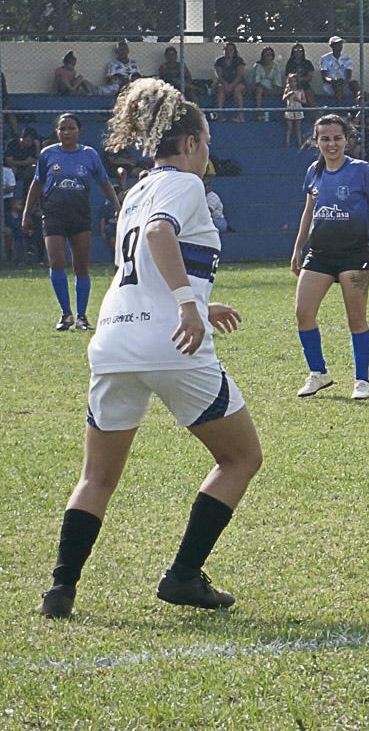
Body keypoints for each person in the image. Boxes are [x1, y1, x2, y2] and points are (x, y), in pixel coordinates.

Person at [37, 78, 261, 619]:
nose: (207, 154)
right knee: (241, 457)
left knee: (97, 477)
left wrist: (200, 303)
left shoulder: (138, 189)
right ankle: (184, 575)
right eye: (205, 143)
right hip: (170, 344)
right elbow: (161, 238)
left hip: (114, 340)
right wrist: (189, 307)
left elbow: (138, 271)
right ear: (188, 144)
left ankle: (60, 591)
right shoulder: (183, 184)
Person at [291, 114, 369, 401]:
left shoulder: (360, 170)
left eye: (337, 138)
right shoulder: (313, 172)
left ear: (347, 140)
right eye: (325, 138)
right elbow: (309, 211)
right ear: (316, 142)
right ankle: (318, 373)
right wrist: (297, 247)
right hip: (319, 254)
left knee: (356, 319)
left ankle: (362, 381)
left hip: (354, 254)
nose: (332, 144)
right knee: (303, 313)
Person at [21, 113, 121, 330]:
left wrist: (117, 206)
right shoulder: (48, 154)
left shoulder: (89, 154)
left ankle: (82, 316)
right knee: (57, 262)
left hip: (80, 214)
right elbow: (37, 184)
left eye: (70, 128)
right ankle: (65, 314)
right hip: (54, 214)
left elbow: (104, 182)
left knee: (81, 266)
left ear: (79, 131)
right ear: (57, 132)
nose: (66, 132)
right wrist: (27, 213)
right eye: (62, 128)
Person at [212, 41, 247, 123]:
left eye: (231, 50)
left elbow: (239, 75)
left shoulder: (239, 60)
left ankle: (240, 116)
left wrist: (231, 86)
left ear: (234, 51)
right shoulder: (219, 61)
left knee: (237, 89)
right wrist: (226, 85)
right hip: (224, 84)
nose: (228, 52)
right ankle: (219, 115)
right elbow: (219, 76)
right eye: (226, 49)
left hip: (238, 84)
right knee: (220, 88)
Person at [246, 46, 283, 121]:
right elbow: (256, 82)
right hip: (258, 88)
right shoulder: (257, 66)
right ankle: (259, 112)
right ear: (263, 56)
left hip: (272, 88)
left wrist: (272, 90)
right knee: (259, 89)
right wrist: (265, 90)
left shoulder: (276, 66)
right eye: (266, 55)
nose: (268, 57)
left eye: (270, 55)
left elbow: (278, 82)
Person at [319, 36, 353, 105]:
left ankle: (359, 106)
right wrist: (332, 80)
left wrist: (344, 82)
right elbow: (324, 76)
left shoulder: (347, 58)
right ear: (332, 46)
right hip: (331, 84)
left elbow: (349, 74)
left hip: (344, 82)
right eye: (337, 44)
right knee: (338, 85)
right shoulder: (325, 58)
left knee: (355, 84)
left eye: (341, 44)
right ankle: (339, 106)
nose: (340, 46)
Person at [282, 71, 309, 148]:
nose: (292, 83)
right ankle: (287, 142)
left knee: (298, 128)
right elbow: (283, 99)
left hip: (298, 108)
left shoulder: (300, 91)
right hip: (289, 108)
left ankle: (299, 143)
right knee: (289, 127)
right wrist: (288, 95)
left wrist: (298, 100)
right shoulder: (287, 90)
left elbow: (304, 101)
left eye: (294, 81)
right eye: (290, 81)